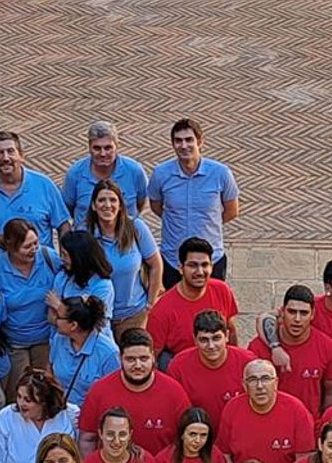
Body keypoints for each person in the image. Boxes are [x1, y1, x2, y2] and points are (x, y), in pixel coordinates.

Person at [146, 119, 240, 279]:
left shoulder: (221, 173)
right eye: (178, 141)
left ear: (200, 141)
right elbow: (156, 206)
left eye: (189, 140)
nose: (184, 146)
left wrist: (207, 223)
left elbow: (232, 210)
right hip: (173, 260)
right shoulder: (160, 174)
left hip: (210, 259)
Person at [79, 329, 191, 460]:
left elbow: (189, 438)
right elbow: (88, 439)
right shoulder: (99, 392)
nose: (138, 365)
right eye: (130, 359)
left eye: (143, 358)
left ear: (153, 357)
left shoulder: (174, 392)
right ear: (120, 358)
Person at [0, 129, 67, 253]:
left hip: (40, 265)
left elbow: (63, 225)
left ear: (21, 155)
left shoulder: (44, 185)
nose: (5, 158)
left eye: (10, 151)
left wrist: (64, 256)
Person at [219, 360, 315, 463]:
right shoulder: (232, 409)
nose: (260, 386)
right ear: (244, 385)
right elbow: (224, 455)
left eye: (265, 379)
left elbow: (303, 460)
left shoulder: (297, 410)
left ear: (276, 383)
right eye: (253, 380)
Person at [250, 285, 332, 416]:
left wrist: (325, 423)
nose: (297, 319)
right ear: (282, 312)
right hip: (268, 421)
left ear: (312, 314)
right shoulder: (258, 347)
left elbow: (331, 393)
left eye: (304, 313)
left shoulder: (328, 347)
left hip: (309, 424)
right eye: (292, 312)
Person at [0, 218, 62, 386]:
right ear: (11, 247)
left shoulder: (48, 256)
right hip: (14, 342)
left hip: (46, 339)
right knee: (19, 387)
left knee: (43, 387)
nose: (34, 250)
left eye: (36, 243)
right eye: (27, 247)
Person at [149, 240, 239, 364]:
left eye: (205, 265)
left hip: (218, 357)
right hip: (182, 365)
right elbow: (153, 355)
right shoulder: (161, 310)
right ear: (181, 268)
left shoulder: (222, 290)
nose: (200, 272)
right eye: (192, 265)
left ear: (212, 267)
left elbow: (231, 331)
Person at [86, 180, 161, 328]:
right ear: (94, 206)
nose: (107, 205)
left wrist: (151, 303)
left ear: (120, 205)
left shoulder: (136, 228)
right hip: (98, 318)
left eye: (113, 200)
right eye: (101, 200)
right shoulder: (85, 234)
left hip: (134, 315)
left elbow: (156, 264)